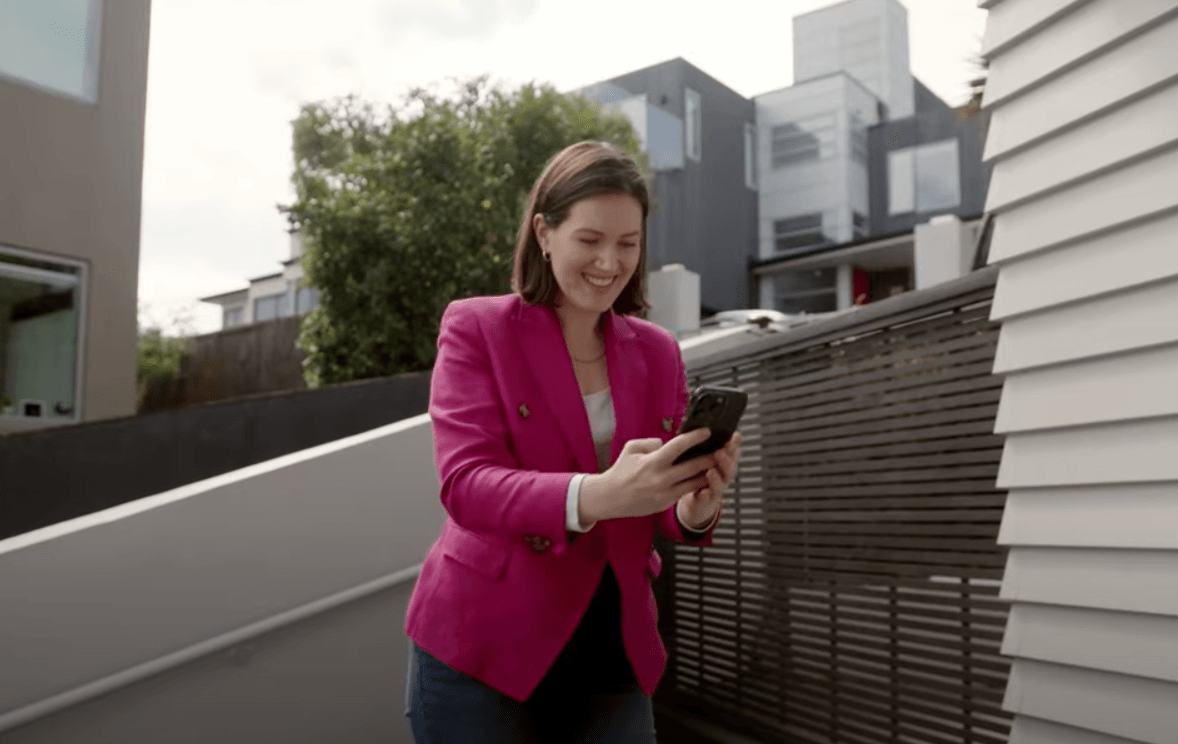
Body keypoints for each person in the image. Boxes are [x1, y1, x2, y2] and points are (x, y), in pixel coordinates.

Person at [404, 141, 742, 743]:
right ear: (544, 232)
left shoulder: (659, 352)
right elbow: (466, 485)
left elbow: (658, 509)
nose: (610, 263)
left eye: (628, 244)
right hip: (484, 647)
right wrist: (601, 493)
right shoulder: (477, 327)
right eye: (590, 240)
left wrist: (695, 505)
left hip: (613, 647)